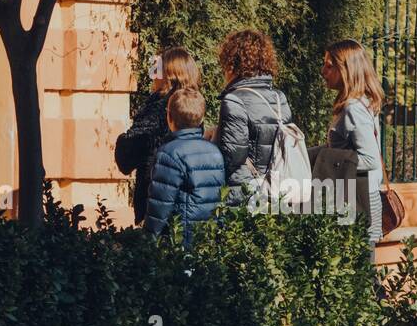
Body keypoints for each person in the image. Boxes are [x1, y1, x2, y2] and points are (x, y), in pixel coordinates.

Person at [115, 46, 201, 224]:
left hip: (156, 196)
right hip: (191, 198)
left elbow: (128, 154)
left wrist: (123, 140)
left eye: (157, 70)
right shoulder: (195, 103)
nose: (153, 75)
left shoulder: (158, 107)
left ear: (168, 75)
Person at [215, 30, 293, 206]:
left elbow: (232, 157)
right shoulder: (279, 98)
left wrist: (214, 139)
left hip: (243, 194)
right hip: (277, 191)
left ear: (232, 63)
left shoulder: (234, 100)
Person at [321, 39, 385, 243]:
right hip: (361, 195)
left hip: (358, 199)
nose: (323, 71)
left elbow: (370, 159)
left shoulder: (354, 108)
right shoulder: (362, 103)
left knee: (360, 270)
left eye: (329, 66)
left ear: (346, 69)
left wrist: (326, 158)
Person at [143, 87, 226, 242]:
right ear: (201, 119)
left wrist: (147, 242)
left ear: (169, 118)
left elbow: (159, 206)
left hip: (180, 240)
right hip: (208, 239)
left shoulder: (169, 154)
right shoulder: (214, 152)